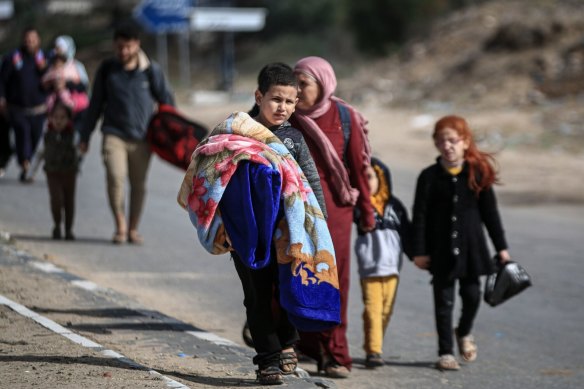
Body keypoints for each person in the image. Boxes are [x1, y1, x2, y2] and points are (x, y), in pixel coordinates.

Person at [231, 63, 327, 385]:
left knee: (289, 286)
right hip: (247, 232)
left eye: (289, 101)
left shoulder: (295, 138)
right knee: (256, 295)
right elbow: (215, 177)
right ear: (259, 97)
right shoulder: (238, 133)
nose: (282, 107)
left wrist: (319, 222)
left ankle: (287, 341)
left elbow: (310, 180)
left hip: (288, 232)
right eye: (276, 99)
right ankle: (267, 360)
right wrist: (220, 225)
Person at [289, 56, 375, 378]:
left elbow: (359, 170)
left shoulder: (344, 116)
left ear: (322, 84)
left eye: (304, 84)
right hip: (295, 211)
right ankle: (306, 344)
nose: (296, 91)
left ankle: (336, 354)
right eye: (294, 82)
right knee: (298, 276)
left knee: (334, 282)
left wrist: (366, 211)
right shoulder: (287, 117)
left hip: (336, 215)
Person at [411, 115, 511, 371]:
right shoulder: (429, 176)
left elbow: (491, 214)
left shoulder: (478, 173)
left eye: (453, 140)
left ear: (465, 142)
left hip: (472, 249)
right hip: (440, 250)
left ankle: (464, 331)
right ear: (435, 143)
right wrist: (418, 252)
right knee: (443, 302)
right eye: (442, 141)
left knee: (472, 296)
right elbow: (419, 216)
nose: (448, 146)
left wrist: (501, 247)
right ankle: (445, 352)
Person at [79, 21, 174, 245]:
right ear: (114, 45)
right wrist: (84, 136)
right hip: (113, 135)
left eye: (128, 47)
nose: (124, 52)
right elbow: (95, 105)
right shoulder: (107, 70)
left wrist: (171, 136)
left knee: (138, 185)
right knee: (115, 178)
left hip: (143, 139)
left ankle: (133, 228)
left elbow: (167, 103)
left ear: (137, 45)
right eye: (120, 47)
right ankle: (120, 225)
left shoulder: (151, 71)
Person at [354, 157, 411, 369]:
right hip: (369, 267)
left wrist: (417, 255)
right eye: (362, 178)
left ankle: (373, 340)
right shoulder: (360, 207)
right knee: (372, 308)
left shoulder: (395, 207)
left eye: (370, 177)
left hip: (392, 268)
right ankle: (374, 350)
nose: (366, 181)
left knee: (386, 310)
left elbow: (407, 233)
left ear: (381, 178)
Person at [0, 27, 48, 182]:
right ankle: (25, 164)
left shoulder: (44, 58)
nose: (30, 43)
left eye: (33, 40)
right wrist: (2, 98)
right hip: (17, 108)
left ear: (38, 41)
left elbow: (55, 78)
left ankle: (26, 163)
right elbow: (2, 81)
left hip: (39, 109)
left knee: (34, 137)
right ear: (23, 40)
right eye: (27, 40)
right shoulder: (13, 57)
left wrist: (45, 70)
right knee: (22, 133)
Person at [28, 102, 80, 240]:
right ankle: (57, 224)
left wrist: (77, 163)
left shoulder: (73, 135)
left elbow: (80, 151)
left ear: (68, 119)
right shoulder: (47, 135)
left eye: (62, 118)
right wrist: (31, 173)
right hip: (52, 173)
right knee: (56, 200)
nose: (58, 121)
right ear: (50, 118)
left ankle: (68, 230)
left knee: (69, 201)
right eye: (55, 117)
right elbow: (39, 154)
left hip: (69, 173)